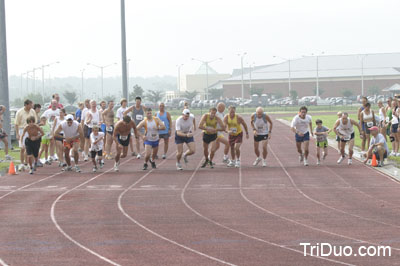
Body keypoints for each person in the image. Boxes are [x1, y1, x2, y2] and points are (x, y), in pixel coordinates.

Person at [15, 100, 37, 171]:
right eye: (30, 105)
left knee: (31, 148)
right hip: (22, 130)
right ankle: (22, 164)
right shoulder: (19, 112)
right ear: (26, 105)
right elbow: (16, 123)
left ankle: (30, 163)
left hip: (31, 130)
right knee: (22, 148)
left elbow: (35, 122)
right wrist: (17, 134)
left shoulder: (32, 111)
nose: (32, 106)